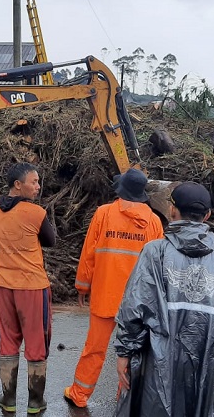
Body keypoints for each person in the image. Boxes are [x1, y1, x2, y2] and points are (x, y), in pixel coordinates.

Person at [114, 182, 214, 416]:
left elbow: (135, 307)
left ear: (172, 210)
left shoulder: (155, 252)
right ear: (207, 215)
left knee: (159, 405)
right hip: (210, 357)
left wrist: (124, 352)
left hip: (160, 358)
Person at [62, 169, 163, 409]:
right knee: (133, 350)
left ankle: (79, 394)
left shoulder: (104, 214)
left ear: (121, 190)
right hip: (137, 302)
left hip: (105, 294)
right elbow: (157, 266)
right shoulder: (153, 221)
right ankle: (124, 398)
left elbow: (89, 254)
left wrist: (82, 286)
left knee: (94, 349)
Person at [0, 163, 57, 414]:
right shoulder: (36, 213)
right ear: (18, 184)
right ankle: (36, 402)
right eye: (34, 182)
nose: (38, 187)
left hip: (4, 286)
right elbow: (50, 241)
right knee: (37, 342)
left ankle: (8, 399)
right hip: (32, 287)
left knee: (7, 342)